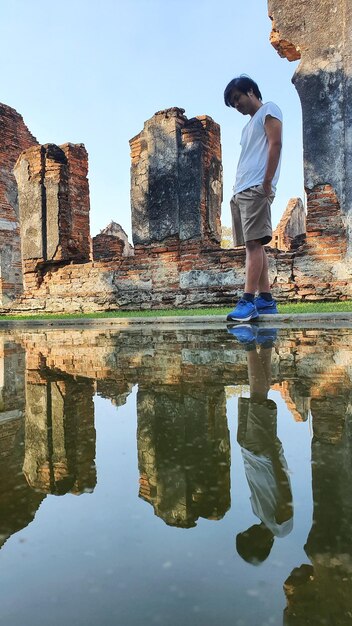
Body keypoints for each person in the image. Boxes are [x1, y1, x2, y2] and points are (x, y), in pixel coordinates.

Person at [224, 75, 282, 322]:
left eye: (237, 98)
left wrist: (267, 182)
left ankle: (248, 301)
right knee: (255, 244)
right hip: (243, 190)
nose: (236, 105)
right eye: (232, 102)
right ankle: (266, 300)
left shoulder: (269, 109)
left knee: (253, 245)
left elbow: (275, 144)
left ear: (250, 91)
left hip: (257, 187)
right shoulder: (247, 126)